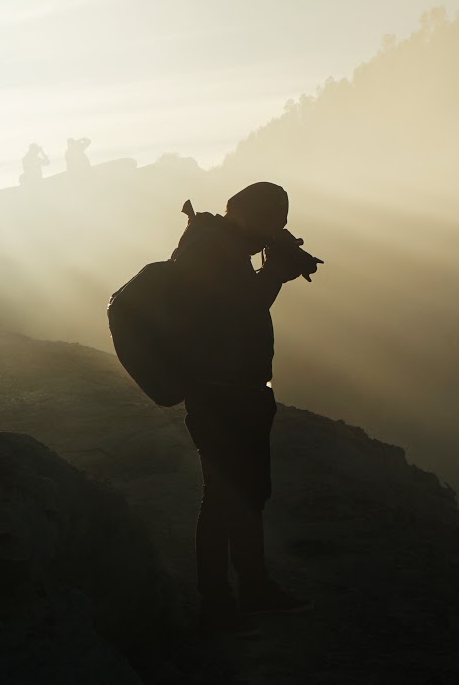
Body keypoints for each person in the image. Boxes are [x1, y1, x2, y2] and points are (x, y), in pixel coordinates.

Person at [171, 181, 318, 632]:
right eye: (275, 221)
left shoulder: (215, 244)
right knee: (226, 496)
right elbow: (239, 311)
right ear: (251, 217)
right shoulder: (213, 251)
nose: (280, 230)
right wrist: (276, 272)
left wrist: (274, 266)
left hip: (233, 389)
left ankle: (243, 592)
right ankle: (226, 599)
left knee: (242, 493)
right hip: (224, 393)